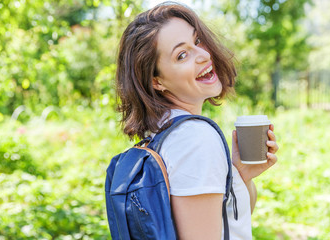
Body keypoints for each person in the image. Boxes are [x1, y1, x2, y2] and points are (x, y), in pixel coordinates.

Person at [115, 2, 279, 239]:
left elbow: (229, 223)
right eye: (182, 55)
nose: (203, 55)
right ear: (156, 81)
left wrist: (240, 175)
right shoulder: (195, 138)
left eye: (198, 41)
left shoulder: (163, 134)